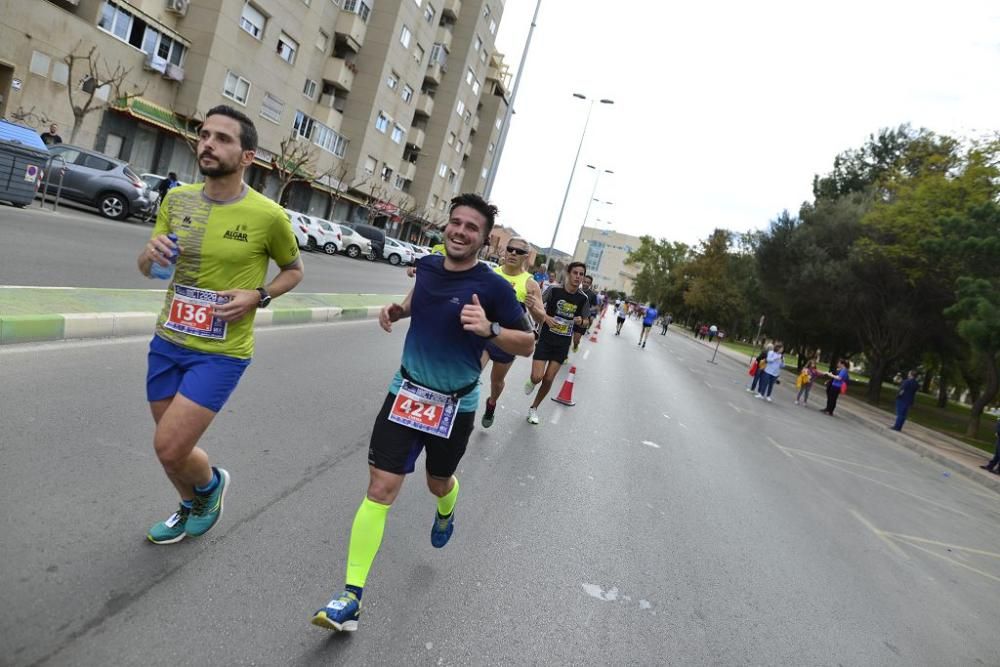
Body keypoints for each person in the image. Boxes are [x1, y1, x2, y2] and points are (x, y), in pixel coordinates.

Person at [311, 194, 533, 633]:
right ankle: (350, 597)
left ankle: (447, 507)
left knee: (436, 482)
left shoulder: (494, 287)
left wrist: (489, 328)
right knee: (381, 486)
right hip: (407, 390)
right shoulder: (430, 266)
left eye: (472, 227)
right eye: (456, 223)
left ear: (485, 239)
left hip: (455, 404)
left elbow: (526, 342)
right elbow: (419, 300)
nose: (460, 231)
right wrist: (398, 309)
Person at [138, 105, 304, 545]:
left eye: (223, 138)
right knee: (171, 449)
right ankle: (189, 502)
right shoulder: (176, 200)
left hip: (220, 351)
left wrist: (259, 295)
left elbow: (294, 270)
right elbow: (147, 266)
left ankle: (209, 488)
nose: (207, 143)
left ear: (247, 156)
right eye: (204, 134)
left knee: (169, 446)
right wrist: (149, 256)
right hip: (168, 339)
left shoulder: (269, 216)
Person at [480, 236, 544, 428]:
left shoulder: (529, 284)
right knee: (472, 371)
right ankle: (459, 411)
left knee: (496, 381)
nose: (513, 253)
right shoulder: (492, 273)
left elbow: (542, 318)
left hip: (508, 341)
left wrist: (533, 308)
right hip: (484, 334)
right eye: (510, 249)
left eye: (519, 251)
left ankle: (491, 403)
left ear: (526, 257)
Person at [523, 262, 589, 425]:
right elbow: (537, 306)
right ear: (568, 273)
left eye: (581, 274)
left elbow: (586, 321)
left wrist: (581, 320)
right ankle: (532, 380)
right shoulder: (554, 290)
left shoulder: (583, 298)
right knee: (537, 377)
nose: (578, 277)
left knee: (548, 379)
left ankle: (534, 408)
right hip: (546, 338)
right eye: (575, 273)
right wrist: (545, 317)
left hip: (562, 342)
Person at [572, 274, 598, 353]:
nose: (585, 284)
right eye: (585, 282)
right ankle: (564, 355)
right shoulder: (576, 290)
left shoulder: (592, 295)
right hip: (573, 317)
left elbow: (596, 306)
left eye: (588, 282)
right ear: (582, 281)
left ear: (590, 284)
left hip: (583, 319)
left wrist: (588, 310)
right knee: (567, 338)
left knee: (576, 340)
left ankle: (575, 345)